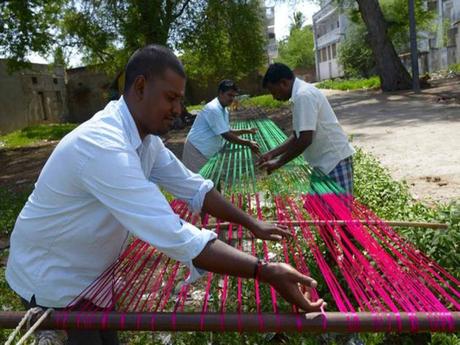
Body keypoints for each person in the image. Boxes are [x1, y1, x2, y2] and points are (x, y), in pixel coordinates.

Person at [6, 45, 325, 345]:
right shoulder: (102, 145)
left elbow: (194, 187)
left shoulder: (145, 142)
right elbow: (172, 233)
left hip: (91, 276)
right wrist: (265, 270)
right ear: (141, 87)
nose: (178, 110)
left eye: (180, 100)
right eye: (171, 98)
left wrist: (252, 223)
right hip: (54, 281)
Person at [257, 63, 355, 194]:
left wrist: (278, 163)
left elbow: (305, 139)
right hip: (324, 163)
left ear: (283, 83)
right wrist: (272, 154)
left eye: (274, 92)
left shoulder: (304, 95)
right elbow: (297, 134)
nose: (274, 97)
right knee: (319, 210)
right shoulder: (299, 95)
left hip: (333, 162)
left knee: (337, 213)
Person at [182, 80, 260, 173]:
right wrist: (248, 143)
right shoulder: (213, 109)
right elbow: (226, 135)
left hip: (208, 152)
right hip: (197, 150)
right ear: (220, 93)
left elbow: (227, 130)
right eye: (229, 95)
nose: (232, 99)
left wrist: (247, 131)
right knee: (198, 184)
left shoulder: (224, 109)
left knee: (213, 181)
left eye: (234, 96)